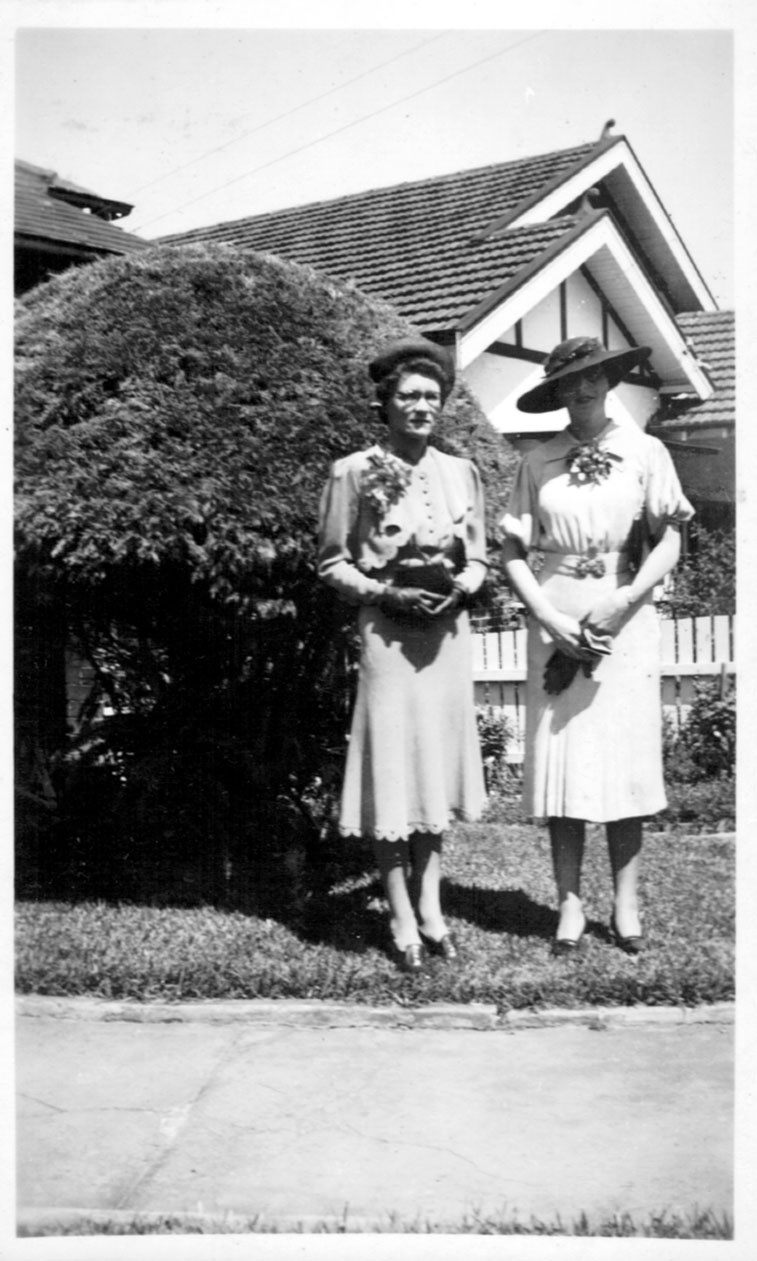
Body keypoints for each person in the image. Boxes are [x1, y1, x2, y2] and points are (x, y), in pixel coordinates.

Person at [501, 337, 694, 955]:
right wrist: (547, 617)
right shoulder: (538, 461)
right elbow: (511, 552)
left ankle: (627, 905)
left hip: (624, 616)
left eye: (591, 379)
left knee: (623, 765)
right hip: (554, 618)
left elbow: (669, 540)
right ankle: (569, 907)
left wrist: (624, 599)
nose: (581, 391)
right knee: (565, 767)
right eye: (568, 382)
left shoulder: (646, 451)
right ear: (555, 393)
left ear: (609, 381)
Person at [317, 337, 488, 972]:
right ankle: (398, 913)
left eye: (431, 397)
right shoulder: (353, 471)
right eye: (408, 396)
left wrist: (463, 588)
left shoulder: (460, 472)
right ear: (384, 403)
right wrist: (385, 592)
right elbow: (332, 561)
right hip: (387, 636)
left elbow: (479, 557)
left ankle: (433, 907)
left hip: (444, 636)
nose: (421, 407)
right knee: (393, 765)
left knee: (434, 767)